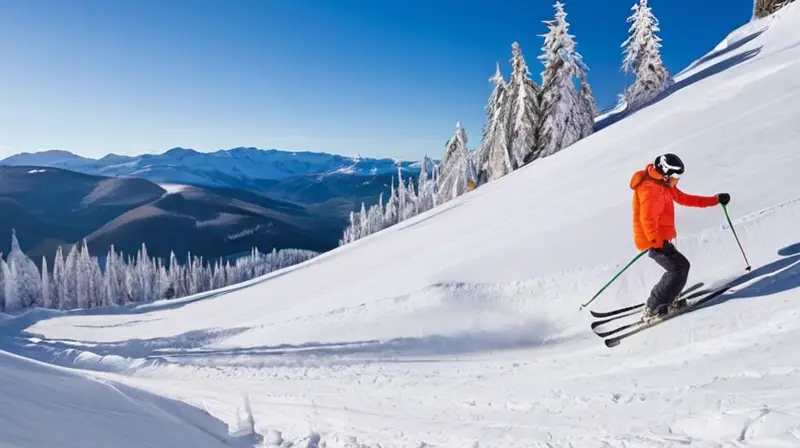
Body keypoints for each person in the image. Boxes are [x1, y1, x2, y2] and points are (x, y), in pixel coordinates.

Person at [630, 153, 730, 320]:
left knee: (679, 268)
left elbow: (685, 199)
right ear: (666, 174)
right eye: (676, 177)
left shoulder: (663, 185)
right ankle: (654, 306)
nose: (678, 181)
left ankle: (666, 297)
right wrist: (656, 243)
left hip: (660, 238)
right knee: (678, 268)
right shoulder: (650, 189)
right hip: (654, 240)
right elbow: (647, 219)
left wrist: (715, 200)